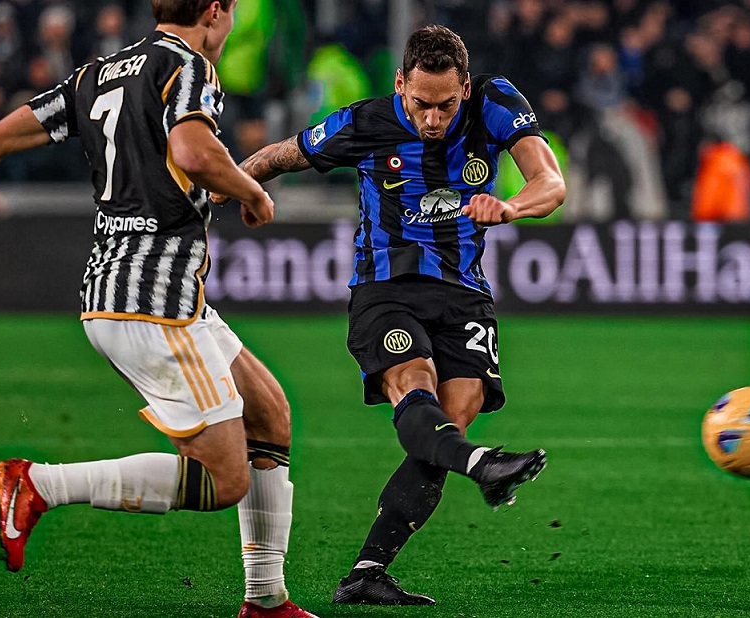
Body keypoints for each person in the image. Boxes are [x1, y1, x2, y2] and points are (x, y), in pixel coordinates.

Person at [0, 2, 317, 617]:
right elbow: (194, 152)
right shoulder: (188, 67)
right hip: (154, 304)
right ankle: (37, 484)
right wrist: (252, 191)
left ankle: (265, 600)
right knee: (224, 480)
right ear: (215, 11)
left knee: (269, 415)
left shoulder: (97, 74)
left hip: (130, 293)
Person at [224, 25, 566, 605]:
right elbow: (281, 156)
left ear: (465, 87)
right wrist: (219, 190)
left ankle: (367, 573)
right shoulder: (364, 123)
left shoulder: (494, 102)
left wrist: (510, 206)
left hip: (464, 292)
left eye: (446, 106)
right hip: (386, 289)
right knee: (416, 383)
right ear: (401, 82)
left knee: (448, 424)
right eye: (421, 103)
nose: (433, 119)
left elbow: (551, 183)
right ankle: (482, 466)